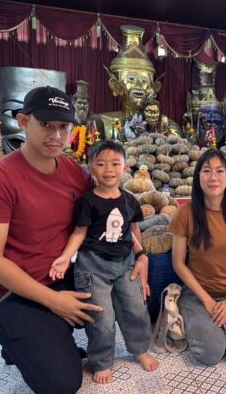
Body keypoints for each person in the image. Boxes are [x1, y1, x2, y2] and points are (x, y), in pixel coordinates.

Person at [0, 86, 103, 394]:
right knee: (62, 384)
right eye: (46, 125)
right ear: (23, 121)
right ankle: (23, 338)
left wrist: (139, 255)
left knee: (122, 293)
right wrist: (54, 302)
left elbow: (103, 210)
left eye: (63, 126)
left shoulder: (74, 172)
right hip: (8, 293)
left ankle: (39, 338)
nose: (56, 135)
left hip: (57, 275)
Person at [48, 140, 159, 384]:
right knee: (101, 316)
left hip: (126, 263)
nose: (108, 169)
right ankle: (101, 361)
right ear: (91, 169)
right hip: (93, 266)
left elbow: (132, 231)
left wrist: (141, 254)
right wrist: (65, 258)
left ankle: (139, 348)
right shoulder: (87, 201)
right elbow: (79, 233)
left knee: (135, 308)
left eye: (115, 164)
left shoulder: (130, 200)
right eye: (101, 164)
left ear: (125, 168)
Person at [168, 148, 226, 365]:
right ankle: (191, 318)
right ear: (198, 176)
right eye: (207, 171)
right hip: (197, 295)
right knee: (210, 354)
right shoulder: (185, 213)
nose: (213, 177)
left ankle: (221, 322)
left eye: (220, 171)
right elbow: (178, 263)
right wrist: (208, 301)